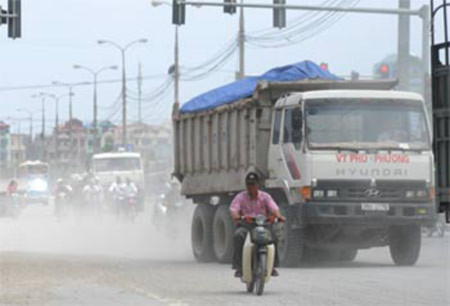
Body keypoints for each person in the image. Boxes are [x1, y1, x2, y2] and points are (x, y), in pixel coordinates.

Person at [229, 172, 286, 278]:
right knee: (238, 235)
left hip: (263, 225)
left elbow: (274, 208)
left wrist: (279, 216)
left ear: (258, 185)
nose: (251, 187)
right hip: (246, 225)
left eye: (253, 184)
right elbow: (234, 209)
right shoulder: (241, 197)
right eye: (248, 184)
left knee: (273, 236)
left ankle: (272, 266)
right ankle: (239, 267)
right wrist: (236, 216)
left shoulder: (265, 197)